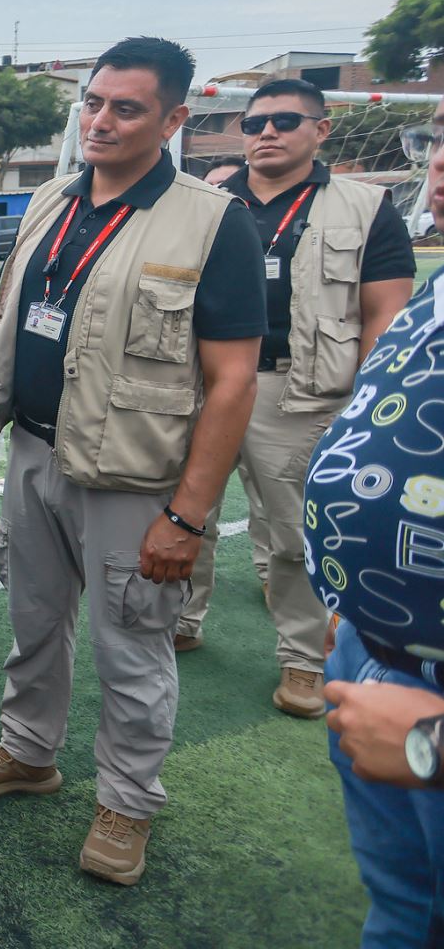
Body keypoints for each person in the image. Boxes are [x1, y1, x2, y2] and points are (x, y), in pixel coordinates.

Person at [0, 36, 266, 887]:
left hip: (136, 479)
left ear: (173, 118)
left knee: (131, 649)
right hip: (36, 453)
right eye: (93, 102)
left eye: (126, 108)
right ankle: (28, 752)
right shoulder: (54, 198)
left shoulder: (214, 221)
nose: (101, 120)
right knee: (32, 622)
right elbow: (12, 318)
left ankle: (126, 802)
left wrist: (188, 515)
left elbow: (232, 382)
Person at [178, 78, 414, 720]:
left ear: (322, 128)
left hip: (298, 393)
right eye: (255, 125)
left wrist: (370, 407)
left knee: (290, 535)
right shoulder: (202, 201)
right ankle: (182, 619)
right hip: (199, 382)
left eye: (285, 121)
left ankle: (303, 661)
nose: (267, 134)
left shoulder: (365, 207)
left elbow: (385, 315)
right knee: (181, 515)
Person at [309, 94, 444, 947]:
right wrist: (355, 605)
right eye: (438, 141)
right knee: (402, 907)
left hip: (424, 713)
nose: (438, 163)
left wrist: (435, 740)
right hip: (377, 651)